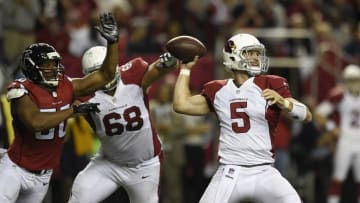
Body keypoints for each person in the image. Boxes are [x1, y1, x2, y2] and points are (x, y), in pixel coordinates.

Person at [173, 33, 312, 203]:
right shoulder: (218, 90)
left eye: (257, 53)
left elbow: (306, 115)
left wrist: (284, 102)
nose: (255, 58)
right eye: (249, 53)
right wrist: (185, 70)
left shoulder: (271, 83)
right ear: (233, 55)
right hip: (230, 172)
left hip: (265, 171)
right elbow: (181, 105)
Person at [0, 12, 119, 203]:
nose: (53, 69)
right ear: (32, 67)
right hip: (15, 170)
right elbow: (35, 123)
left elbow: (105, 76)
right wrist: (73, 111)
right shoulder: (20, 90)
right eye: (46, 65)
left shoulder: (67, 86)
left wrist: (112, 43)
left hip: (43, 177)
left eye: (54, 64)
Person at [68, 45, 178, 203]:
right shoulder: (84, 95)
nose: (103, 77)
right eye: (96, 73)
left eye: (104, 70)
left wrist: (169, 62)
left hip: (144, 165)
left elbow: (159, 68)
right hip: (109, 163)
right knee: (80, 195)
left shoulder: (133, 76)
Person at [314, 64, 360, 203]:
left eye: (356, 80)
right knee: (338, 178)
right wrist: (331, 127)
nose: (353, 83)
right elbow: (319, 113)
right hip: (344, 141)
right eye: (350, 80)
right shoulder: (339, 95)